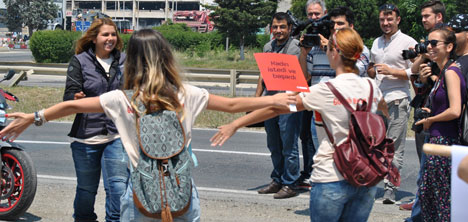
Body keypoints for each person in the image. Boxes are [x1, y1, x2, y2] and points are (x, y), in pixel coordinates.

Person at [0, 29, 296, 221]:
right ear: (166, 57)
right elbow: (234, 104)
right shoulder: (187, 94)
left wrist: (33, 117)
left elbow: (73, 106)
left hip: (140, 195)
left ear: (132, 63)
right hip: (182, 193)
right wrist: (277, 99)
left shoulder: (121, 98)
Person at [211, 28, 387, 222]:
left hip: (332, 175)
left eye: (328, 48)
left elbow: (278, 107)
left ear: (334, 52)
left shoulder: (325, 90)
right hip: (366, 177)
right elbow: (383, 115)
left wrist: (237, 123)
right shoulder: (372, 87)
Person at [63, 18, 128, 222]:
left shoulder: (124, 60)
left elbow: (132, 91)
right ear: (93, 38)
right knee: (86, 190)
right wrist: (75, 98)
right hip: (86, 137)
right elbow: (69, 95)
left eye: (113, 34)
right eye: (105, 34)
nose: (110, 38)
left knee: (118, 188)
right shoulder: (80, 61)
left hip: (117, 135)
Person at [414, 26, 466, 222]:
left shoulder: (451, 72)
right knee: (430, 198)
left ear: (450, 46)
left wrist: (431, 119)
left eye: (435, 43)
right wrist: (431, 112)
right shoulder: (443, 72)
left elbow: (455, 110)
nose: (430, 47)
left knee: (442, 202)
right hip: (438, 140)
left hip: (445, 142)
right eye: (428, 43)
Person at [367, 3, 417, 204]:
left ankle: (390, 188)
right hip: (378, 101)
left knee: (394, 148)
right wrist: (372, 71)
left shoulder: (408, 42)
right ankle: (373, 182)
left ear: (398, 20)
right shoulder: (376, 42)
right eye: (382, 20)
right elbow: (372, 67)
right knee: (375, 146)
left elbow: (416, 71)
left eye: (389, 19)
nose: (385, 23)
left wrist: (393, 72)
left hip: (398, 100)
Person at [402, 0, 446, 215]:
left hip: (441, 107)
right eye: (422, 16)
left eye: (426, 16)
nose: (423, 20)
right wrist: (422, 54)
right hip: (423, 103)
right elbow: (413, 69)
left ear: (439, 17)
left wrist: (435, 73)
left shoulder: (448, 42)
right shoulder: (427, 45)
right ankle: (422, 199)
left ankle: (429, 206)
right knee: (423, 157)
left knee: (436, 163)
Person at [254, 12, 303, 198]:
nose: (278, 30)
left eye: (282, 27)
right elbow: (263, 75)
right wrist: (256, 100)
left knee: (289, 145)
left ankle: (290, 183)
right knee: (273, 144)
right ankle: (277, 179)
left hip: (289, 102)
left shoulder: (296, 48)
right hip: (270, 101)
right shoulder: (268, 47)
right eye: (275, 27)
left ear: (290, 28)